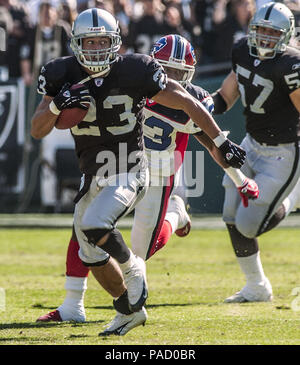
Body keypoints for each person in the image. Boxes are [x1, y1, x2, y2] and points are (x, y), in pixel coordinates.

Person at [31, 8, 246, 335]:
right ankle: (129, 309)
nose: (95, 49)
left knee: (95, 225)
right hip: (93, 173)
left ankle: (134, 270)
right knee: (89, 250)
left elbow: (189, 103)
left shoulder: (135, 70)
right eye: (88, 43)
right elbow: (37, 129)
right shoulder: (61, 73)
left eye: (102, 41)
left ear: (116, 42)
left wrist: (221, 141)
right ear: (76, 43)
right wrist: (58, 105)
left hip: (130, 167)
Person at [212, 2, 300, 303]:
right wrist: (201, 107)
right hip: (251, 143)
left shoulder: (292, 64)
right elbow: (226, 95)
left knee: (249, 225)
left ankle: (294, 194)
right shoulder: (241, 50)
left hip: (283, 152)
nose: (264, 38)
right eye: (259, 30)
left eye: (271, 32)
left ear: (286, 34)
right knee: (229, 215)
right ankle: (257, 285)